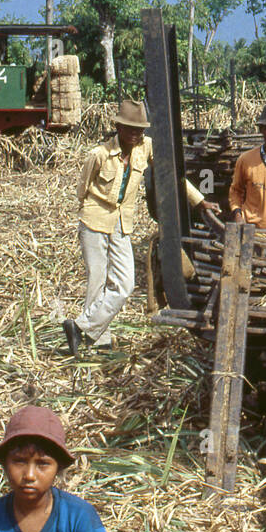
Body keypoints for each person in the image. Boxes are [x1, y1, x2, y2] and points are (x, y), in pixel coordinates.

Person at [64, 99, 213, 356]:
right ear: (119, 128)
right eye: (131, 129)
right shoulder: (98, 155)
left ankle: (80, 328)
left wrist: (199, 201)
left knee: (124, 284)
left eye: (140, 130)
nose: (135, 134)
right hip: (94, 221)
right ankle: (97, 338)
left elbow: (170, 174)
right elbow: (82, 190)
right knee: (97, 280)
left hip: (122, 224)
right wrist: (88, 214)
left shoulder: (146, 148)